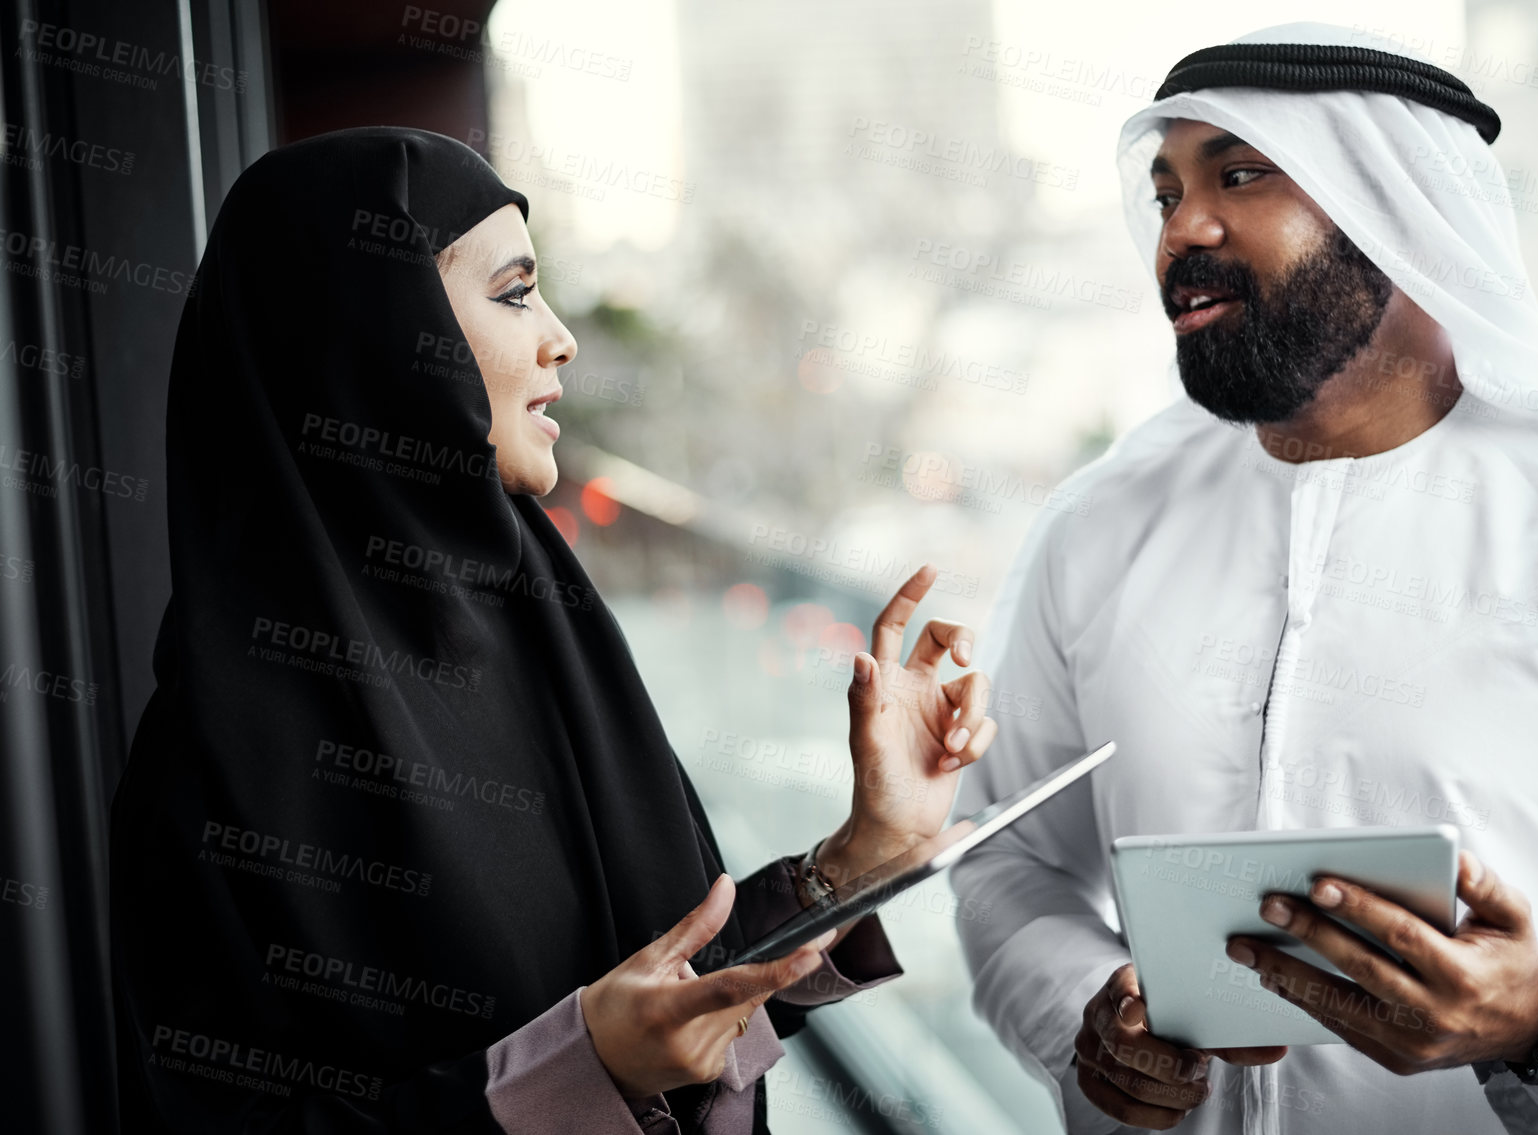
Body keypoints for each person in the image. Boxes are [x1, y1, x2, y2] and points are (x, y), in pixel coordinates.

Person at [949, 22, 1538, 1135]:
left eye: (1238, 175)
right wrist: (1080, 1014)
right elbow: (1011, 861)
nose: (1181, 228)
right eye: (1165, 189)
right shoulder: (1099, 526)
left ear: (1396, 206)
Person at [109, 125, 997, 1134]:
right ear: (371, 331)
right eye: (515, 291)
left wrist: (860, 855)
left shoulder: (541, 622)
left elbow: (678, 990)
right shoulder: (211, 759)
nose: (560, 335)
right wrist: (579, 1073)